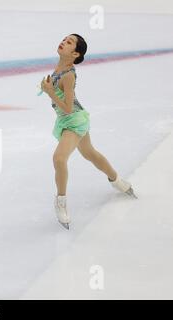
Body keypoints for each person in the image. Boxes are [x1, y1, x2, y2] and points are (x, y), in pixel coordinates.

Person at [40, 34, 136, 230]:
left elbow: (67, 107)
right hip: (69, 119)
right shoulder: (60, 67)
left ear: (75, 53)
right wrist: (50, 90)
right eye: (64, 39)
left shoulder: (68, 74)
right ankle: (118, 181)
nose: (63, 42)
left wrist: (50, 92)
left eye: (69, 42)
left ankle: (61, 202)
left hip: (73, 121)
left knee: (59, 159)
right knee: (90, 153)